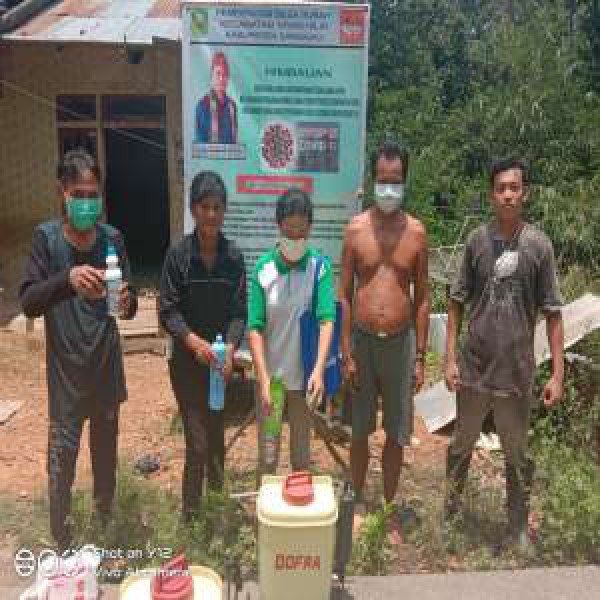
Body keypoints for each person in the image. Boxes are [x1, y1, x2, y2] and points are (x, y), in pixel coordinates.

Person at [19, 149, 137, 551]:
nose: (87, 202)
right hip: (66, 377)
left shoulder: (113, 239)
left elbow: (127, 303)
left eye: (93, 194)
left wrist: (127, 300)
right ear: (63, 193)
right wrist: (66, 280)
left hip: (105, 370)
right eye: (79, 194)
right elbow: (29, 302)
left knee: (105, 462)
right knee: (62, 465)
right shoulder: (47, 240)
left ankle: (103, 536)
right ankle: (63, 544)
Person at [445, 158, 564, 548]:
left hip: (516, 371)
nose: (508, 194)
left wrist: (558, 374)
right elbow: (456, 302)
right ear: (491, 195)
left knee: (516, 452)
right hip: (475, 368)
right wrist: (449, 359)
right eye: (501, 188)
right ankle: (451, 518)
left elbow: (553, 313)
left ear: (524, 193)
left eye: (514, 187)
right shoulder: (476, 242)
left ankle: (516, 528)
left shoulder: (539, 246)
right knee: (462, 443)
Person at [339, 139, 430, 533]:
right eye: (382, 180)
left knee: (396, 432)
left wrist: (421, 357)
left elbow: (422, 297)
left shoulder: (417, 233)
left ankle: (389, 507)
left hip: (400, 344)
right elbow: (344, 294)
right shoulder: (355, 229)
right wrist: (345, 351)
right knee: (360, 429)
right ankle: (359, 500)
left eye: (395, 181)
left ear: (405, 181)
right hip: (361, 342)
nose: (388, 188)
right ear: (372, 179)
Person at [159, 171, 246, 521]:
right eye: (205, 207)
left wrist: (230, 351)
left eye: (217, 207)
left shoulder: (233, 257)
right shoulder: (178, 256)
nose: (211, 214)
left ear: (224, 211)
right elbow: (167, 310)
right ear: (194, 209)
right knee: (196, 444)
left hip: (219, 366)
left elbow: (239, 313)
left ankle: (216, 514)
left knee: (216, 441)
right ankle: (191, 519)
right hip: (186, 364)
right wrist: (193, 342)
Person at [248, 188, 335, 480]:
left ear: (310, 228)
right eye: (289, 230)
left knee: (301, 457)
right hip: (271, 382)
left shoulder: (319, 268)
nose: (295, 238)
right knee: (268, 456)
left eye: (301, 231)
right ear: (278, 226)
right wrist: (262, 378)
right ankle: (265, 505)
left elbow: (326, 320)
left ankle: (298, 506)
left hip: (304, 380)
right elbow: (255, 327)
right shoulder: (263, 269)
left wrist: (319, 371)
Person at [195, 51, 238, 145]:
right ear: (212, 77)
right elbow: (200, 144)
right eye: (218, 74)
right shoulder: (202, 105)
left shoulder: (232, 106)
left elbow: (234, 140)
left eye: (225, 74)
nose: (221, 79)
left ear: (228, 78)